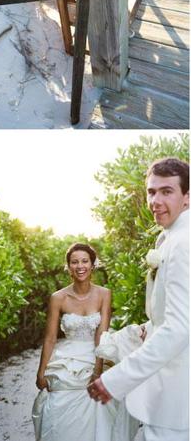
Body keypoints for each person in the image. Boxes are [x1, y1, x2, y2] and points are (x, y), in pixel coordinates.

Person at [88, 158, 189, 441]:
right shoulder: (172, 237)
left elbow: (180, 328)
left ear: (187, 197)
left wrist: (117, 379)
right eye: (151, 191)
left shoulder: (182, 243)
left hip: (178, 391)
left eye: (166, 191)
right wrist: (150, 325)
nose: (155, 201)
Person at [32, 242, 119, 441]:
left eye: (84, 261)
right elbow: (51, 338)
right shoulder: (58, 298)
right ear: (68, 267)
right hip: (67, 360)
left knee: (97, 410)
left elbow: (102, 335)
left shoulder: (104, 294)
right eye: (75, 262)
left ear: (92, 264)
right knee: (58, 408)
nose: (80, 266)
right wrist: (41, 372)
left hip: (95, 356)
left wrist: (97, 371)